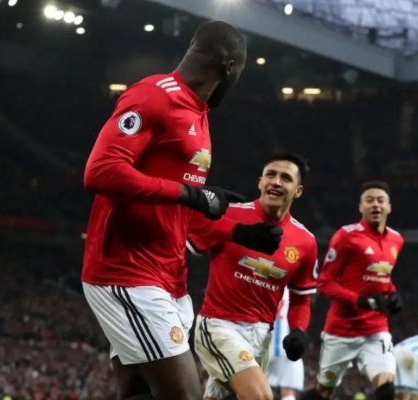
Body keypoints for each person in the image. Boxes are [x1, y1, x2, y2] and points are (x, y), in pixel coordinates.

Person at [81, 21, 282, 400]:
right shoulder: (153, 96)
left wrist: (236, 232)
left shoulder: (198, 114)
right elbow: (101, 171)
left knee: (138, 393)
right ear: (230, 68)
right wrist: (192, 194)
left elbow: (178, 209)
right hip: (127, 272)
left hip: (169, 277)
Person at [186, 153, 318, 400]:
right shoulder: (229, 213)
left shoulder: (306, 242)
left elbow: (301, 298)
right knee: (261, 396)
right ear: (260, 182)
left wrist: (299, 331)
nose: (276, 182)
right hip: (218, 326)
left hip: (261, 336)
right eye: (271, 175)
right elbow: (186, 242)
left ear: (298, 191)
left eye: (285, 178)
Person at [302, 181, 404, 400]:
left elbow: (383, 277)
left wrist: (393, 293)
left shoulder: (396, 239)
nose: (375, 205)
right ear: (360, 207)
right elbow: (325, 282)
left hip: (376, 328)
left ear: (389, 207)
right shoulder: (346, 236)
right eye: (369, 200)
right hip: (342, 328)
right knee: (324, 392)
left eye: (380, 200)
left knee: (386, 388)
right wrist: (360, 300)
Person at [266, 287, 305, 400]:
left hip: (264, 345)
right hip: (287, 346)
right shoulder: (293, 290)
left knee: (256, 389)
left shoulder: (263, 285)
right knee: (288, 391)